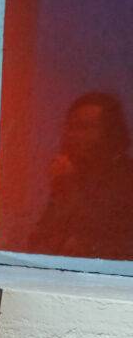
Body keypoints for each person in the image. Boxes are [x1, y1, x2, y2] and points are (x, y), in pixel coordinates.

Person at [33, 91, 133, 259]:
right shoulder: (73, 176)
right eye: (70, 127)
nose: (73, 135)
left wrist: (69, 186)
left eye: (84, 127)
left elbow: (108, 238)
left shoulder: (127, 179)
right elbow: (39, 241)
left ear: (110, 132)